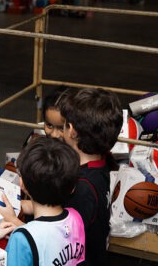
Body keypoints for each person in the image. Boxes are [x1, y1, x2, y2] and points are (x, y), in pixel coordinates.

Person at [0, 136, 86, 265]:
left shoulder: (21, 237)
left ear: (22, 184)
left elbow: (36, 239)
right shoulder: (75, 217)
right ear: (72, 188)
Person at [59, 87, 122, 266]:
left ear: (71, 130)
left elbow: (61, 242)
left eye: (64, 124)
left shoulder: (81, 188)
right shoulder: (102, 163)